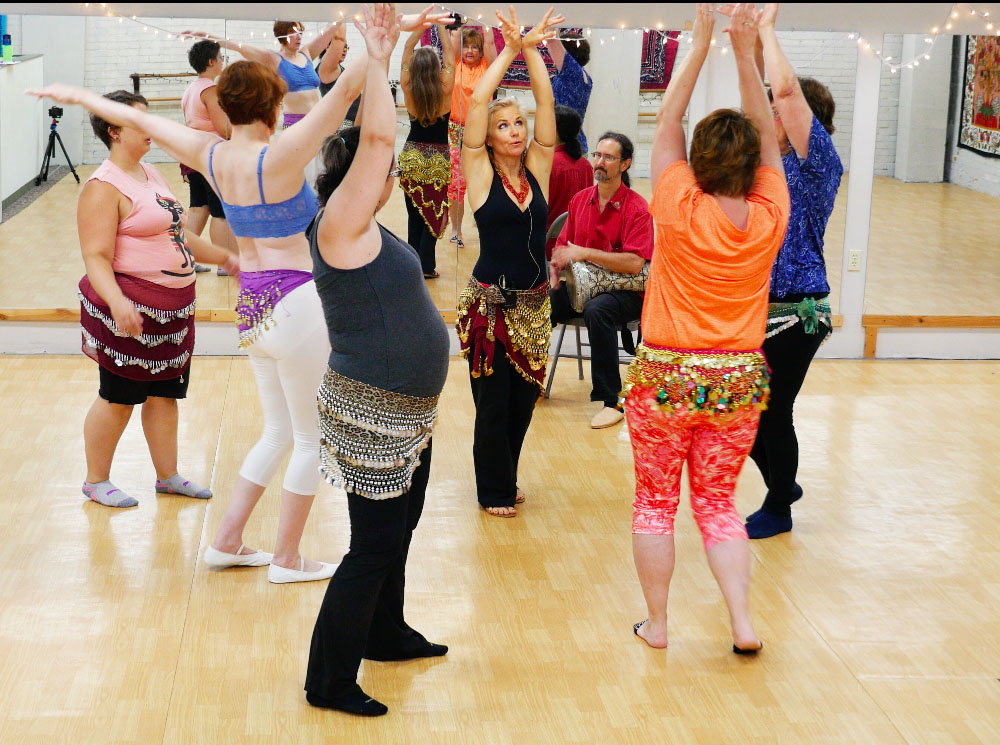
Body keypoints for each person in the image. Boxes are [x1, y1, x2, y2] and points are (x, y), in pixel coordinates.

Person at [623, 3, 788, 653]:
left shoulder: (674, 200)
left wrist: (699, 43)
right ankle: (742, 623)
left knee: (654, 503)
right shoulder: (770, 212)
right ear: (752, 166)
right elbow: (769, 136)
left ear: (696, 160)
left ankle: (659, 625)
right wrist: (746, 52)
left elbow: (665, 119)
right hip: (736, 382)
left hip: (666, 377)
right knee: (719, 504)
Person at [303, 4, 451, 718]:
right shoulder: (339, 225)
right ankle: (327, 679)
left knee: (404, 525)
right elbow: (379, 138)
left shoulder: (363, 228)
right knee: (371, 544)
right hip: (373, 411)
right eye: (378, 168)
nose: (387, 171)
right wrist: (381, 57)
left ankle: (384, 632)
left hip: (407, 413)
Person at [70, 90, 237, 508]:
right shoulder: (102, 186)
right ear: (113, 131)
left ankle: (168, 476)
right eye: (138, 123)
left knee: (165, 394)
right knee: (119, 397)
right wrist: (118, 302)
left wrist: (228, 258)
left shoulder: (152, 174)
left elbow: (181, 234)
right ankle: (96, 480)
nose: (150, 130)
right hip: (131, 312)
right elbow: (95, 255)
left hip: (171, 315)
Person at [457, 6, 563, 518]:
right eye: (505, 125)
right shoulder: (479, 172)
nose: (516, 130)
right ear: (490, 134)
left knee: (522, 406)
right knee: (492, 404)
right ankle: (493, 490)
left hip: (536, 306)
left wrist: (532, 49)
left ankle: (507, 475)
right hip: (491, 307)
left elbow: (545, 99)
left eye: (518, 122)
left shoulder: (538, 166)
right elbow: (478, 99)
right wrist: (507, 51)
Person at [743, 3, 843, 539]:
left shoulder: (819, 163)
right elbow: (762, 96)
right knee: (746, 408)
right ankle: (785, 481)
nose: (770, 119)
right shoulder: (769, 166)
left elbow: (780, 94)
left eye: (780, 114)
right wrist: (748, 45)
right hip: (758, 309)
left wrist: (765, 29)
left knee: (771, 411)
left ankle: (780, 504)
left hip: (799, 311)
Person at [548, 131, 653, 429]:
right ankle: (529, 379)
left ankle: (612, 401)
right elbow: (564, 251)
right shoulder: (580, 201)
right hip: (584, 287)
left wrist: (584, 253)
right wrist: (558, 270)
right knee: (543, 304)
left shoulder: (637, 208)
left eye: (608, 157)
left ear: (625, 164)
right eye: (597, 155)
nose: (599, 162)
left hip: (627, 292)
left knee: (598, 310)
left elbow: (634, 264)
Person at [181, 20, 340, 129]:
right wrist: (203, 34)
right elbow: (238, 46)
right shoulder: (273, 58)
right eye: (294, 32)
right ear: (282, 34)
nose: (299, 36)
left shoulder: (306, 52)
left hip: (318, 120)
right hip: (295, 124)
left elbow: (330, 30)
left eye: (301, 32)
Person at [399, 24, 456, 278]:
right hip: (437, 158)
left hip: (412, 155)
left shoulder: (407, 86)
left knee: (414, 214)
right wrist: (441, 26)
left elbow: (407, 47)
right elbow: (451, 55)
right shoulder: (445, 88)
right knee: (432, 212)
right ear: (436, 69)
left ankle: (413, 265)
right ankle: (426, 266)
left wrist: (420, 26)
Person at [180, 39, 236, 276]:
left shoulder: (190, 89)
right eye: (221, 57)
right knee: (220, 211)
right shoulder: (209, 89)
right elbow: (225, 129)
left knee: (198, 208)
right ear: (211, 61)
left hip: (194, 154)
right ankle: (224, 262)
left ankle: (184, 259)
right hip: (211, 155)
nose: (223, 61)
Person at [447, 25, 498, 247]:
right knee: (456, 183)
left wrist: (485, 18)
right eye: (466, 47)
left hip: (481, 131)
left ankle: (485, 226)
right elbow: (454, 38)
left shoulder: (487, 67)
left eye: (474, 48)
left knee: (484, 181)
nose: (470, 51)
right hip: (455, 130)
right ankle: (456, 230)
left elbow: (489, 42)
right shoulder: (455, 63)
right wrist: (461, 19)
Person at [544, 104, 593, 256]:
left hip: (549, 244)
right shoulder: (586, 165)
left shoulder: (549, 164)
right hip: (578, 242)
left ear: (555, 131)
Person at [546, 31, 592, 153]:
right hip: (564, 144)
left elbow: (552, 42)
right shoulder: (573, 75)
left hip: (568, 149)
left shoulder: (573, 73)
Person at [315, 23, 363, 130]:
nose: (345, 50)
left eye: (346, 47)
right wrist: (341, 14)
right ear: (328, 46)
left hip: (352, 124)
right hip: (342, 125)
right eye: (342, 46)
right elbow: (338, 39)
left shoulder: (339, 68)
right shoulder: (326, 67)